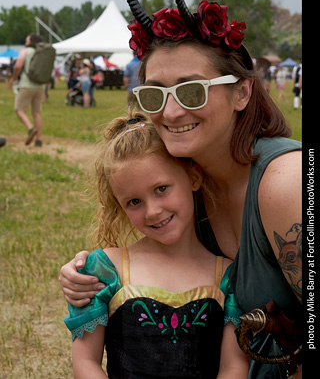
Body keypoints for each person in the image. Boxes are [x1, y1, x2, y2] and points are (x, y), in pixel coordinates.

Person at [60, 0, 302, 378]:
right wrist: (84, 273)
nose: (170, 112)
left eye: (192, 91)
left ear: (243, 92)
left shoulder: (286, 182)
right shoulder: (189, 180)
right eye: (154, 95)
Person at [64, 113, 248, 379]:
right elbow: (85, 361)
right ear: (120, 205)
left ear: (193, 178)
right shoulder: (106, 270)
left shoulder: (228, 276)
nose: (152, 211)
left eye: (161, 189)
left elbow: (234, 367)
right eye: (134, 202)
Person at [9, 33, 45, 147]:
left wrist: (14, 79)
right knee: (37, 112)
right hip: (40, 86)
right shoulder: (42, 52)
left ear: (31, 41)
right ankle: (38, 140)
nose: (25, 42)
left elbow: (18, 66)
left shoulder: (25, 51)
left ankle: (30, 129)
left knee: (19, 109)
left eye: (27, 40)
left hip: (26, 84)